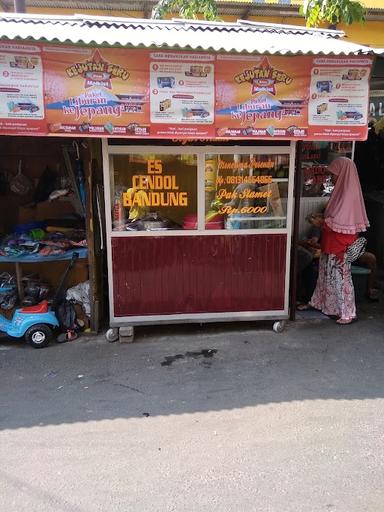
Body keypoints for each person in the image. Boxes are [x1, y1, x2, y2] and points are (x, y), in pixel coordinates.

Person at [309, 157, 370, 325]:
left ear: (342, 173)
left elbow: (341, 223)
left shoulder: (348, 195)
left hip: (340, 247)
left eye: (334, 174)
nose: (332, 179)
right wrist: (323, 221)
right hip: (332, 243)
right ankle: (326, 305)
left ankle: (347, 312)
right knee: (328, 276)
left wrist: (322, 222)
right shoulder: (341, 192)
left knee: (341, 279)